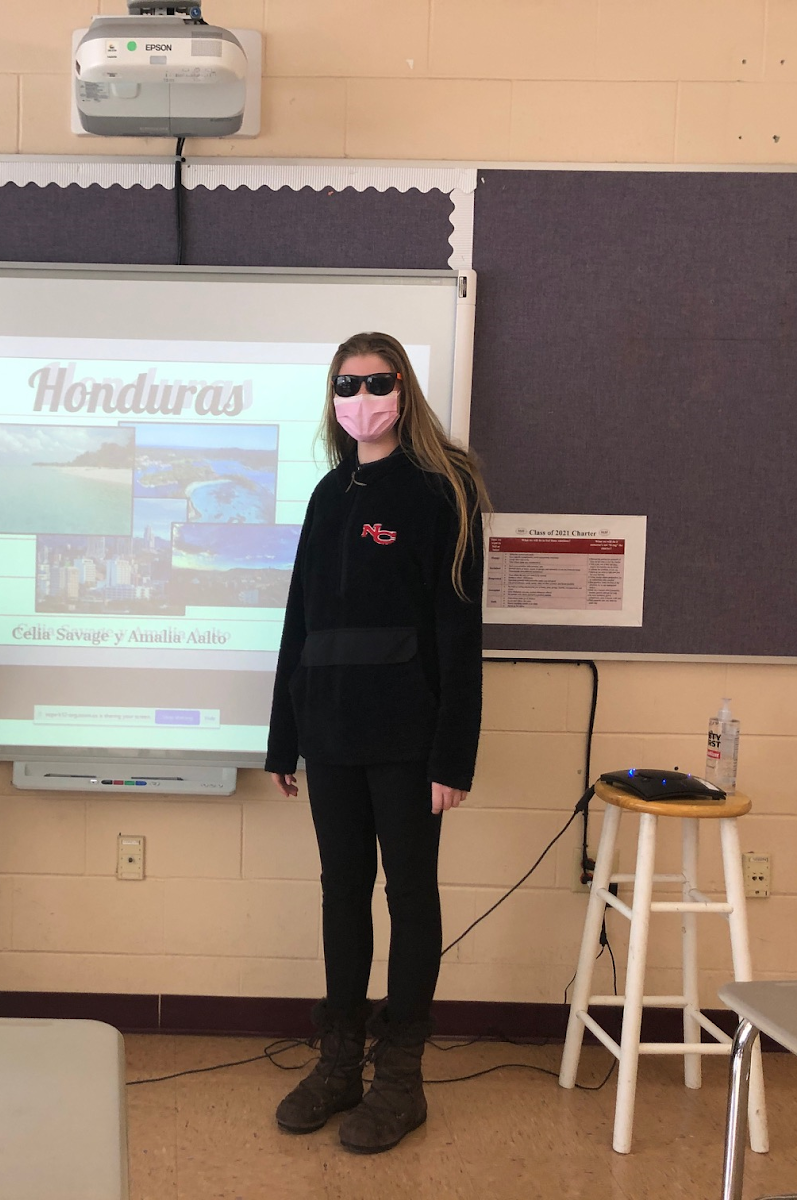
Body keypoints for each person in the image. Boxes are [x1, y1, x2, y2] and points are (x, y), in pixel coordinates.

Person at [267, 332, 488, 1155]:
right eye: (346, 385)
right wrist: (283, 740)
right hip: (328, 732)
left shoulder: (441, 489)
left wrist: (452, 757)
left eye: (376, 382)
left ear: (403, 388)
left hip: (407, 739)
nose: (361, 398)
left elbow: (459, 633)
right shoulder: (329, 494)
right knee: (342, 892)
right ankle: (338, 1064)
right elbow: (300, 623)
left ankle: (401, 1077)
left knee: (411, 895)